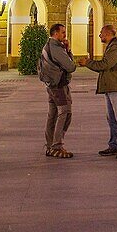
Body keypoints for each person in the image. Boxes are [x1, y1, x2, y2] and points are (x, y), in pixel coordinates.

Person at [85, 24, 117, 158]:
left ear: (108, 34)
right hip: (110, 87)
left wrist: (88, 63)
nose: (100, 36)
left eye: (101, 33)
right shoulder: (111, 47)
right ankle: (114, 145)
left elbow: (105, 64)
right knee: (112, 119)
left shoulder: (116, 48)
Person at [39, 23, 77, 158]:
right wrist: (69, 51)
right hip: (58, 85)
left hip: (50, 85)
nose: (65, 35)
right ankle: (57, 145)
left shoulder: (48, 46)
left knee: (53, 114)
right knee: (65, 113)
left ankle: (50, 145)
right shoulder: (55, 48)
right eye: (62, 32)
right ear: (55, 33)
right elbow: (71, 66)